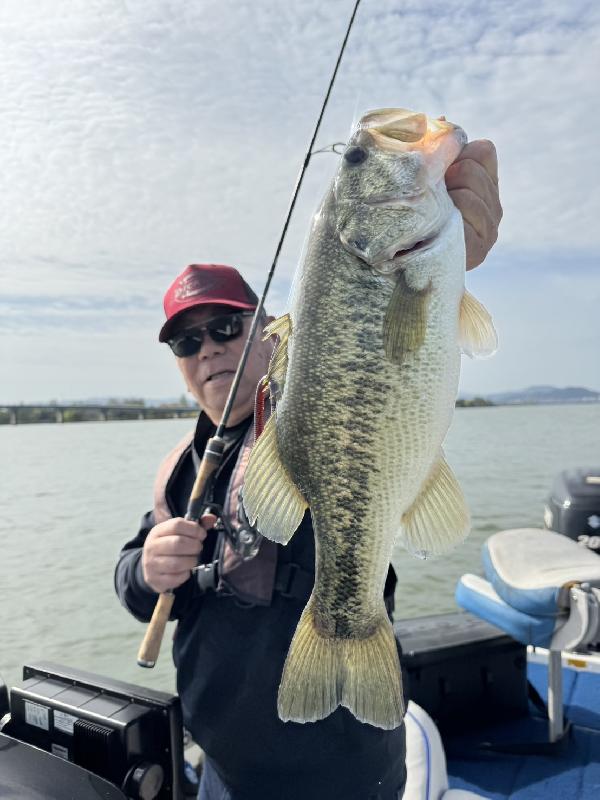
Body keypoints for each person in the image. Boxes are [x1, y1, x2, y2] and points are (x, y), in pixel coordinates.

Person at [114, 140, 502, 800]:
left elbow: (387, 346)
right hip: (221, 769)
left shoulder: (312, 403)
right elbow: (131, 583)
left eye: (226, 327)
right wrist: (145, 569)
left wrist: (445, 259)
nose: (208, 350)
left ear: (272, 329)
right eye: (186, 340)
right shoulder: (185, 466)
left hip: (344, 772)